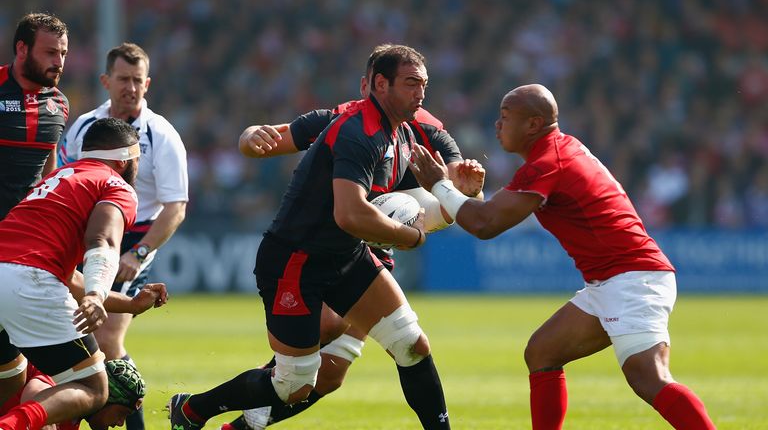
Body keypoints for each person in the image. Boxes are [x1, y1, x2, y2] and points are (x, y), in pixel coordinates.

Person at [168, 45, 451, 430]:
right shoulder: (357, 130)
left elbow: (462, 194)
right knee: (294, 383)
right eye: (411, 83)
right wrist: (411, 236)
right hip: (296, 261)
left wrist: (460, 191)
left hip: (348, 255)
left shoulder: (411, 130)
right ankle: (193, 410)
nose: (420, 93)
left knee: (411, 344)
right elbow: (349, 213)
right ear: (378, 85)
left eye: (424, 84)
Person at [408, 84, 717, 430]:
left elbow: (485, 224)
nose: (497, 124)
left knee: (648, 377)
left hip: (632, 279)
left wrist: (439, 185)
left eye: (506, 117)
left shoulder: (546, 163)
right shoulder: (559, 149)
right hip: (614, 279)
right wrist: (469, 192)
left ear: (533, 124)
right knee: (542, 353)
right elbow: (489, 213)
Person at [60, 42, 188, 430]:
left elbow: (175, 206)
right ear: (106, 81)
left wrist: (141, 253)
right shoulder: (84, 126)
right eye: (123, 79)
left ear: (147, 84)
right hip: (87, 237)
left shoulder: (161, 134)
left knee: (109, 338)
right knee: (75, 336)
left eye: (137, 80)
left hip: (132, 242)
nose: (130, 87)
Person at [0, 117, 140, 430]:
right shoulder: (115, 185)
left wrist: (130, 304)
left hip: (11, 269)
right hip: (26, 280)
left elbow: (64, 273)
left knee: (9, 381)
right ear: (129, 160)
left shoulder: (60, 177)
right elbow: (103, 239)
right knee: (93, 388)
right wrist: (96, 292)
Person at [0, 13, 69, 220]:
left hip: (27, 230)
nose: (59, 62)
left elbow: (49, 164)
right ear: (22, 49)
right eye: (50, 52)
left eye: (63, 54)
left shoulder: (60, 104)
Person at [1, 359, 146, 430]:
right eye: (122, 413)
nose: (120, 423)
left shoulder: (73, 420)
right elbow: (35, 392)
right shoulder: (69, 386)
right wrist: (43, 420)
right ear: (108, 397)